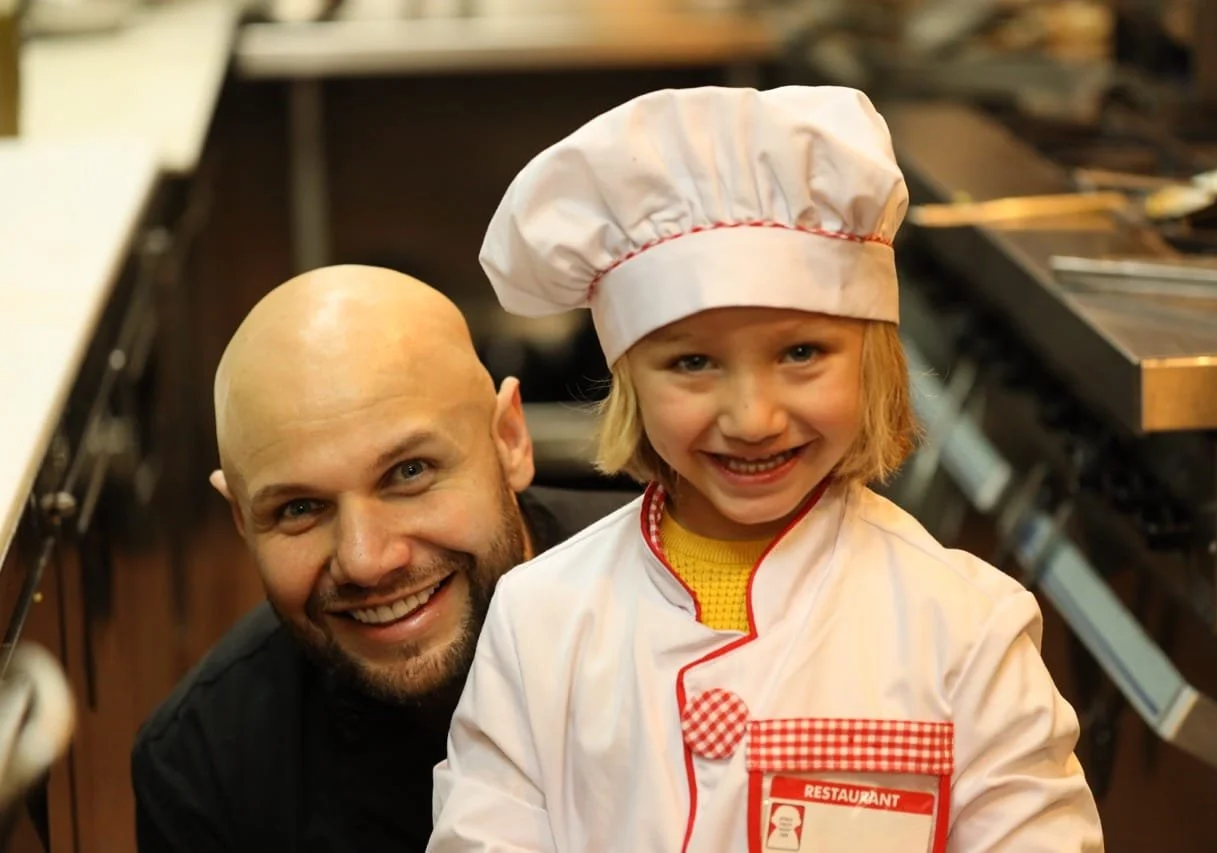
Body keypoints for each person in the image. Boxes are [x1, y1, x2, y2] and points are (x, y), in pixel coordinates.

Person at [427, 86, 1105, 852]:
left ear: (874, 356)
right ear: (629, 379)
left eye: (801, 352)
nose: (752, 417)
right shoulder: (539, 619)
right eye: (692, 362)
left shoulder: (965, 627)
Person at [131, 266, 637, 853]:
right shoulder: (203, 769)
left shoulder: (712, 603)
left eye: (409, 473)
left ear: (510, 441)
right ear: (242, 521)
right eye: (299, 508)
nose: (367, 561)